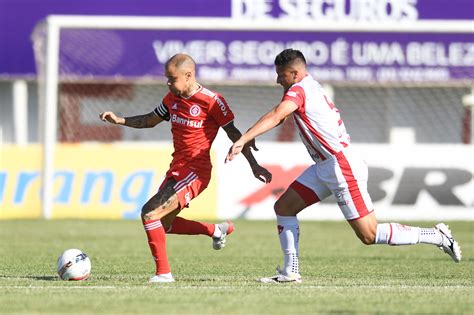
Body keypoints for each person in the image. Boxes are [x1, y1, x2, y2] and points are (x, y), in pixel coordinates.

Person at [226, 48, 462, 283]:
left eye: (281, 75)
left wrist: (244, 139)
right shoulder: (305, 87)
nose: (278, 80)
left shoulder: (300, 90)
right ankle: (290, 272)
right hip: (325, 166)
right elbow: (281, 115)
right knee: (284, 208)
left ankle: (436, 235)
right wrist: (251, 133)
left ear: (295, 73)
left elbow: (278, 114)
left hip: (341, 166)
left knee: (369, 235)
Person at [100, 53, 272, 283]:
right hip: (177, 169)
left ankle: (164, 274)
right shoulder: (171, 99)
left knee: (149, 213)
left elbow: (233, 133)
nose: (168, 83)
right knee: (162, 223)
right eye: (167, 79)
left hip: (196, 171)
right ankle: (215, 230)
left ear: (189, 75)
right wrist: (120, 120)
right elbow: (150, 120)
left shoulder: (212, 101)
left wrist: (253, 164)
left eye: (172, 79)